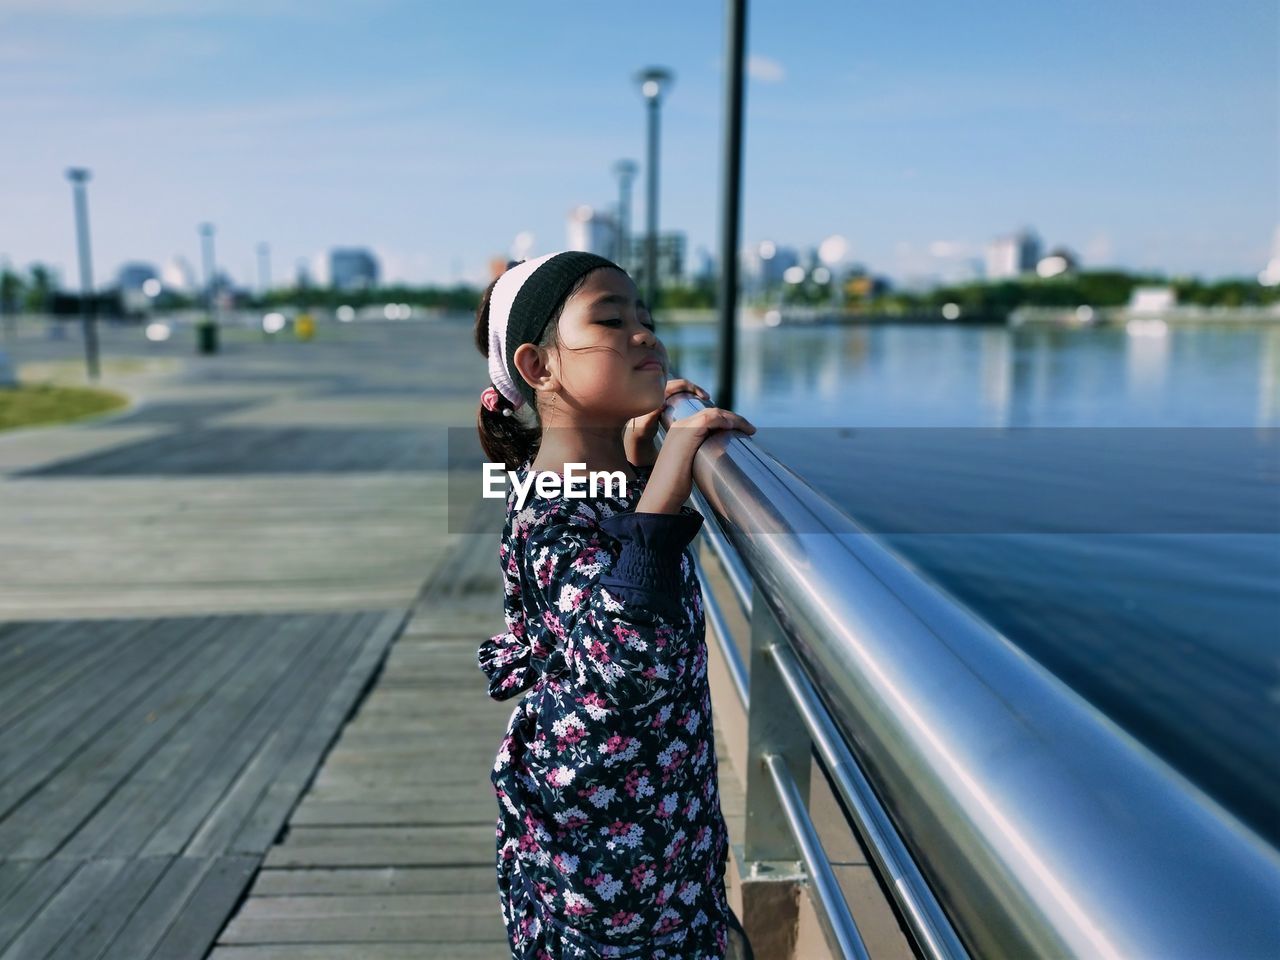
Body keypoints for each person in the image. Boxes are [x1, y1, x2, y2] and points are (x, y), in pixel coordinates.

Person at [475, 251, 757, 959]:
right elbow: (619, 657)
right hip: (604, 854)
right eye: (610, 319)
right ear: (539, 367)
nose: (644, 335)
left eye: (645, 319)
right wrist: (671, 475)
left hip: (657, 824)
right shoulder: (549, 508)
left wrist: (638, 464)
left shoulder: (591, 480)